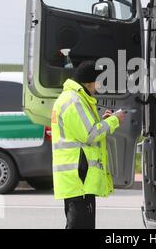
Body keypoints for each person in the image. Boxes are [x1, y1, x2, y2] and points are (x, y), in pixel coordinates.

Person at [51, 60, 125, 229]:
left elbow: (85, 131)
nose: (99, 85)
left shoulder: (74, 99)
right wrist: (114, 120)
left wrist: (104, 121)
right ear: (89, 81)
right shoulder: (73, 101)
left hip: (77, 178)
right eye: (98, 81)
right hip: (79, 178)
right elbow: (91, 135)